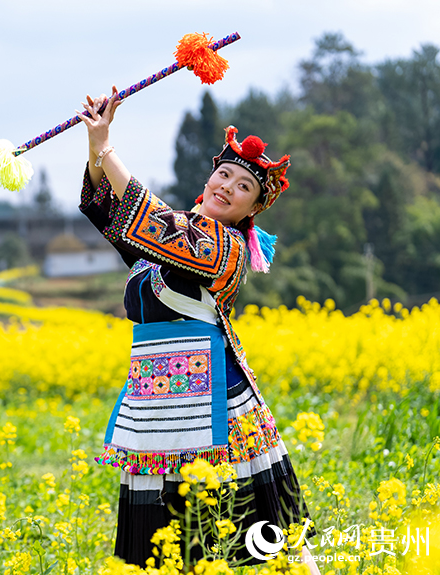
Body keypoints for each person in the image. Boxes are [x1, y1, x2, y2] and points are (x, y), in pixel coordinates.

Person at [76, 89, 320, 572]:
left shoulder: (222, 248)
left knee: (262, 536)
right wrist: (95, 144)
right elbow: (109, 213)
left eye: (243, 186)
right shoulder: (165, 240)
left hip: (215, 405)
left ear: (251, 210)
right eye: (224, 174)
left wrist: (108, 149)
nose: (227, 186)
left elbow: (156, 223)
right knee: (165, 545)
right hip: (155, 403)